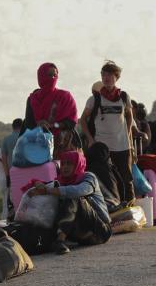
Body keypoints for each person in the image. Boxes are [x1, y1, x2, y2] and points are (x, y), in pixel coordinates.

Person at [26, 150, 112, 255]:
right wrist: (38, 184)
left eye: (69, 163)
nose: (65, 167)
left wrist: (48, 190)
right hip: (80, 236)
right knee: (54, 203)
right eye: (63, 164)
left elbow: (79, 190)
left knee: (72, 196)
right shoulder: (61, 181)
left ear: (78, 164)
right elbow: (45, 185)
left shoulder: (89, 177)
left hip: (100, 231)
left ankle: (60, 240)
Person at [80, 61, 136, 204]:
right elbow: (83, 120)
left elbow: (129, 115)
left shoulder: (124, 97)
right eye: (104, 75)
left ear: (116, 77)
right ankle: (110, 207)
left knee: (126, 179)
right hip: (102, 147)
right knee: (106, 179)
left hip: (122, 145)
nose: (106, 78)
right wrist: (91, 140)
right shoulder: (95, 99)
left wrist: (128, 136)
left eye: (110, 75)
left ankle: (129, 207)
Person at [22, 62, 79, 155]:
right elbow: (28, 124)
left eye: (55, 75)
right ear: (41, 76)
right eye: (49, 75)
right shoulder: (32, 99)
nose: (53, 78)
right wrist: (39, 124)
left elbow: (72, 122)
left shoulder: (65, 97)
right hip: (38, 146)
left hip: (63, 147)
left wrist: (53, 125)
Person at [84, 142, 125, 212]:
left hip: (103, 209)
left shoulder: (88, 171)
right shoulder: (110, 168)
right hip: (117, 204)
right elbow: (122, 186)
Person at [0, 118, 23, 217]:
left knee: (12, 200)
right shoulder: (25, 138)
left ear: (13, 127)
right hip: (25, 173)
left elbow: (4, 159)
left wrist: (7, 175)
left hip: (12, 174)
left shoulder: (6, 139)